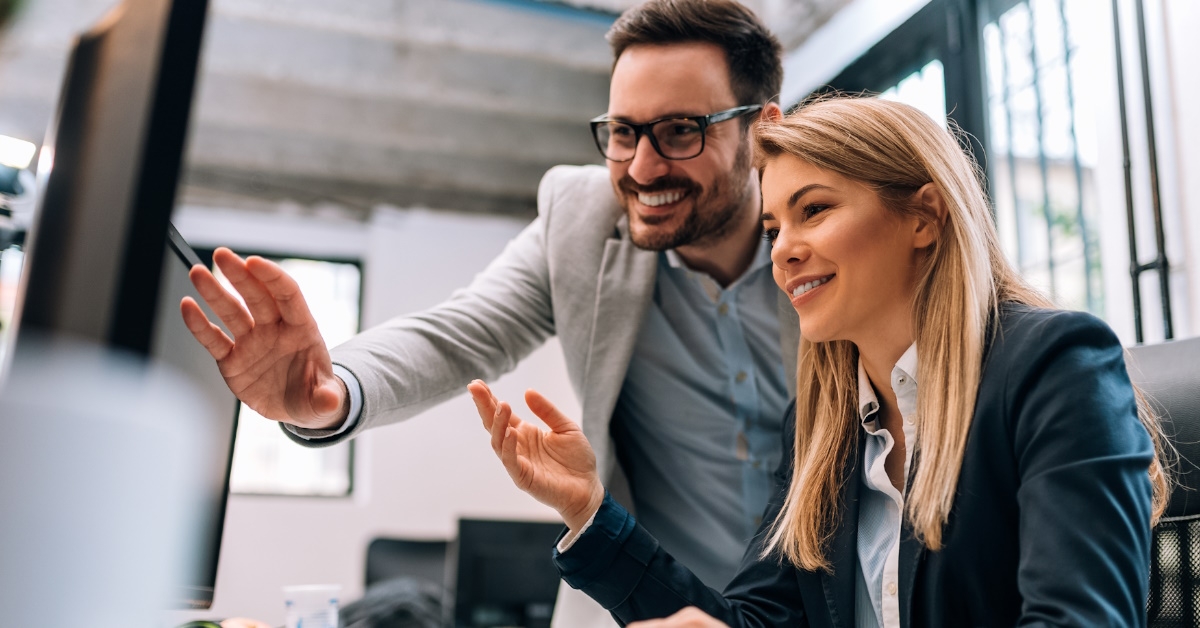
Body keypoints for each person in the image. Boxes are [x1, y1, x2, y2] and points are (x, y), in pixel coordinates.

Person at [180, 1, 792, 625]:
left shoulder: (827, 242)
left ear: (762, 131)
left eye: (682, 131)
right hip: (643, 608)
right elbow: (457, 335)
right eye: (622, 132)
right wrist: (332, 389)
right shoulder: (582, 220)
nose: (641, 167)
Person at [467, 96, 1170, 627]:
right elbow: (753, 622)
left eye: (815, 211)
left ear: (924, 217)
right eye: (774, 227)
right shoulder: (821, 426)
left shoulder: (1055, 367)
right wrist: (589, 510)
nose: (783, 250)